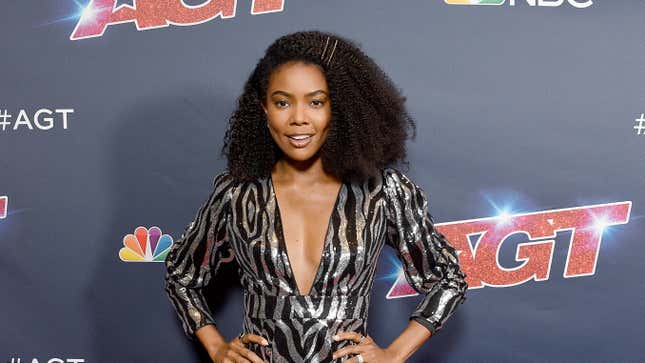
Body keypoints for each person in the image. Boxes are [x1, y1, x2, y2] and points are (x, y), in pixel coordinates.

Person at [164, 30, 468, 363]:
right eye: (282, 102)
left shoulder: (382, 192)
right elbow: (181, 276)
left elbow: (447, 279)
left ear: (339, 108)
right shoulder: (236, 193)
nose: (298, 119)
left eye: (316, 102)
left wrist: (394, 354)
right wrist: (216, 346)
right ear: (263, 108)